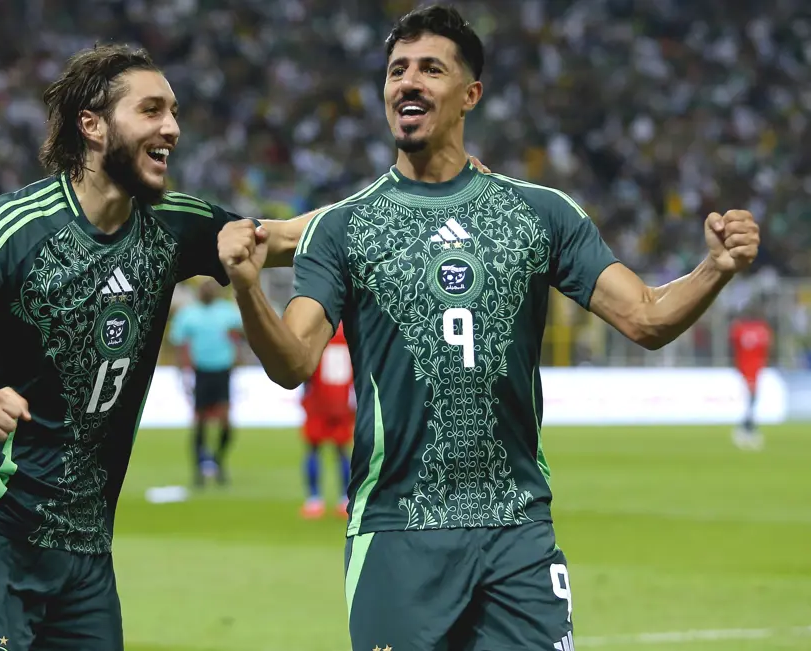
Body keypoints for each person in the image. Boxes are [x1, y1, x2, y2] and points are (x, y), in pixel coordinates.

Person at [216, 6, 761, 651]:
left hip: (518, 533)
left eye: (430, 69)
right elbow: (293, 362)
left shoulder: (540, 214)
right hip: (397, 532)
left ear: (470, 94)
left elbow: (645, 317)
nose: (407, 82)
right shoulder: (343, 227)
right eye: (396, 70)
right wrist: (248, 288)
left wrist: (714, 268)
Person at [0, 44, 314, 651]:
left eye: (174, 112)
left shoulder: (175, 224)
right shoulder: (17, 226)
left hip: (86, 553)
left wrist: (400, 202)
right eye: (151, 110)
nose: (173, 127)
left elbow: (286, 239)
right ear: (93, 125)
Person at [169, 277, 243, 486]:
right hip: (201, 372)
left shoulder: (227, 312)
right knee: (200, 421)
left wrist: (238, 360)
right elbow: (180, 344)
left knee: (225, 421)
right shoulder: (188, 314)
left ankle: (218, 460)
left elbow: (237, 337)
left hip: (222, 371)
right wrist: (183, 373)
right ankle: (199, 469)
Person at [300, 321, 354, 519]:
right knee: (342, 451)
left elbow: (306, 368)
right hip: (342, 402)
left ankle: (314, 499)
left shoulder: (319, 332)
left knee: (313, 449)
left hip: (319, 401)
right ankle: (344, 499)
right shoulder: (351, 333)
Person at [729, 306, 772, 450]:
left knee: (752, 399)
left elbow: (734, 347)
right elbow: (767, 348)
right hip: (750, 368)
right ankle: (746, 428)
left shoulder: (739, 329)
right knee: (751, 398)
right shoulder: (762, 329)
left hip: (747, 367)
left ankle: (747, 427)